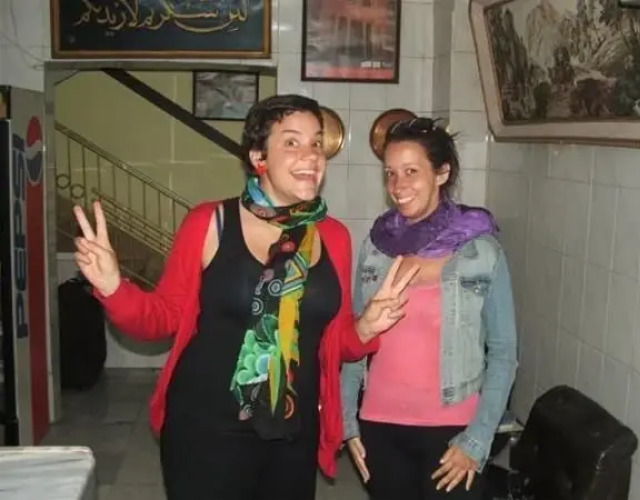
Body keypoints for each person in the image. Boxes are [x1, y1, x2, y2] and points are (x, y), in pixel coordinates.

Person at [72, 94, 419, 500]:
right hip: (207, 426)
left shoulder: (333, 237)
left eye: (316, 143)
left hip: (292, 430)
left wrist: (366, 326)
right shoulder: (211, 222)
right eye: (291, 142)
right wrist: (113, 287)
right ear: (258, 157)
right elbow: (161, 317)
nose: (311, 155)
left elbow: (332, 342)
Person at [340, 117, 518, 500]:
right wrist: (347, 420)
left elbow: (504, 353)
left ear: (442, 173)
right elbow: (354, 340)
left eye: (411, 171)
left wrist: (477, 439)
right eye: (390, 173)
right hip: (380, 426)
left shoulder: (480, 250)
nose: (398, 186)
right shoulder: (377, 247)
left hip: (454, 431)